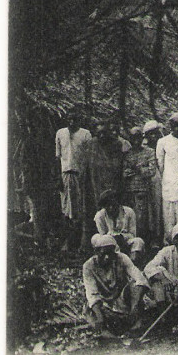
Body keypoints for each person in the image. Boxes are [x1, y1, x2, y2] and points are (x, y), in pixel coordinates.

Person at [82, 233, 150, 337]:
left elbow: (140, 278)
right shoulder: (88, 266)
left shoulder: (121, 258)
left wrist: (135, 306)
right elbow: (92, 294)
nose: (107, 257)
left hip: (121, 299)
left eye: (110, 254)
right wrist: (99, 316)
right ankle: (110, 335)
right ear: (96, 252)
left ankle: (133, 326)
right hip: (103, 302)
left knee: (135, 287)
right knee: (90, 311)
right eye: (103, 254)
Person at [125, 120, 164, 248]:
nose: (135, 141)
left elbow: (151, 171)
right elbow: (124, 173)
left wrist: (137, 169)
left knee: (147, 217)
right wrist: (139, 169)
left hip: (146, 189)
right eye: (132, 138)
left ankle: (151, 241)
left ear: (142, 138)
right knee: (134, 218)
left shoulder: (149, 152)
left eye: (138, 137)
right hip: (131, 190)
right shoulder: (127, 154)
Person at [56, 111, 94, 246]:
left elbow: (89, 157)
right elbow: (58, 157)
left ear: (79, 120)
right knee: (66, 207)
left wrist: (86, 176)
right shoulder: (60, 133)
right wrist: (58, 177)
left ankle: (79, 241)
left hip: (80, 174)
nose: (72, 122)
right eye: (70, 119)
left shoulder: (85, 134)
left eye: (75, 119)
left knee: (79, 207)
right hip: (65, 173)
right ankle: (67, 241)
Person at [86, 120, 131, 212]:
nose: (102, 136)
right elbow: (87, 165)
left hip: (112, 184)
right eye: (99, 133)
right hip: (95, 183)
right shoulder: (91, 144)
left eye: (104, 133)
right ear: (95, 133)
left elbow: (119, 166)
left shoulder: (116, 144)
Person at [93, 189, 146, 263]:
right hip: (108, 244)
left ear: (118, 203)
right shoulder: (100, 216)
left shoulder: (129, 212)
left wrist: (122, 237)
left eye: (114, 205)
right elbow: (102, 235)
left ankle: (132, 263)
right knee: (96, 238)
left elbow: (133, 234)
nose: (111, 208)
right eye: (108, 205)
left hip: (126, 242)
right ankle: (106, 263)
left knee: (138, 241)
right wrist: (112, 238)